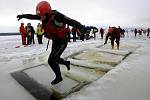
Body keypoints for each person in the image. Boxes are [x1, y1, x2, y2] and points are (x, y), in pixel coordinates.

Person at [17, 1, 97, 85]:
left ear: (48, 13)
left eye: (43, 15)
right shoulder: (42, 16)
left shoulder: (57, 16)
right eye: (40, 16)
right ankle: (66, 63)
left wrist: (82, 27)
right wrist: (23, 16)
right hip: (55, 41)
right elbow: (32, 16)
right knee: (57, 59)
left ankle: (59, 77)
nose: (41, 18)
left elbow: (71, 21)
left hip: (62, 41)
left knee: (51, 60)